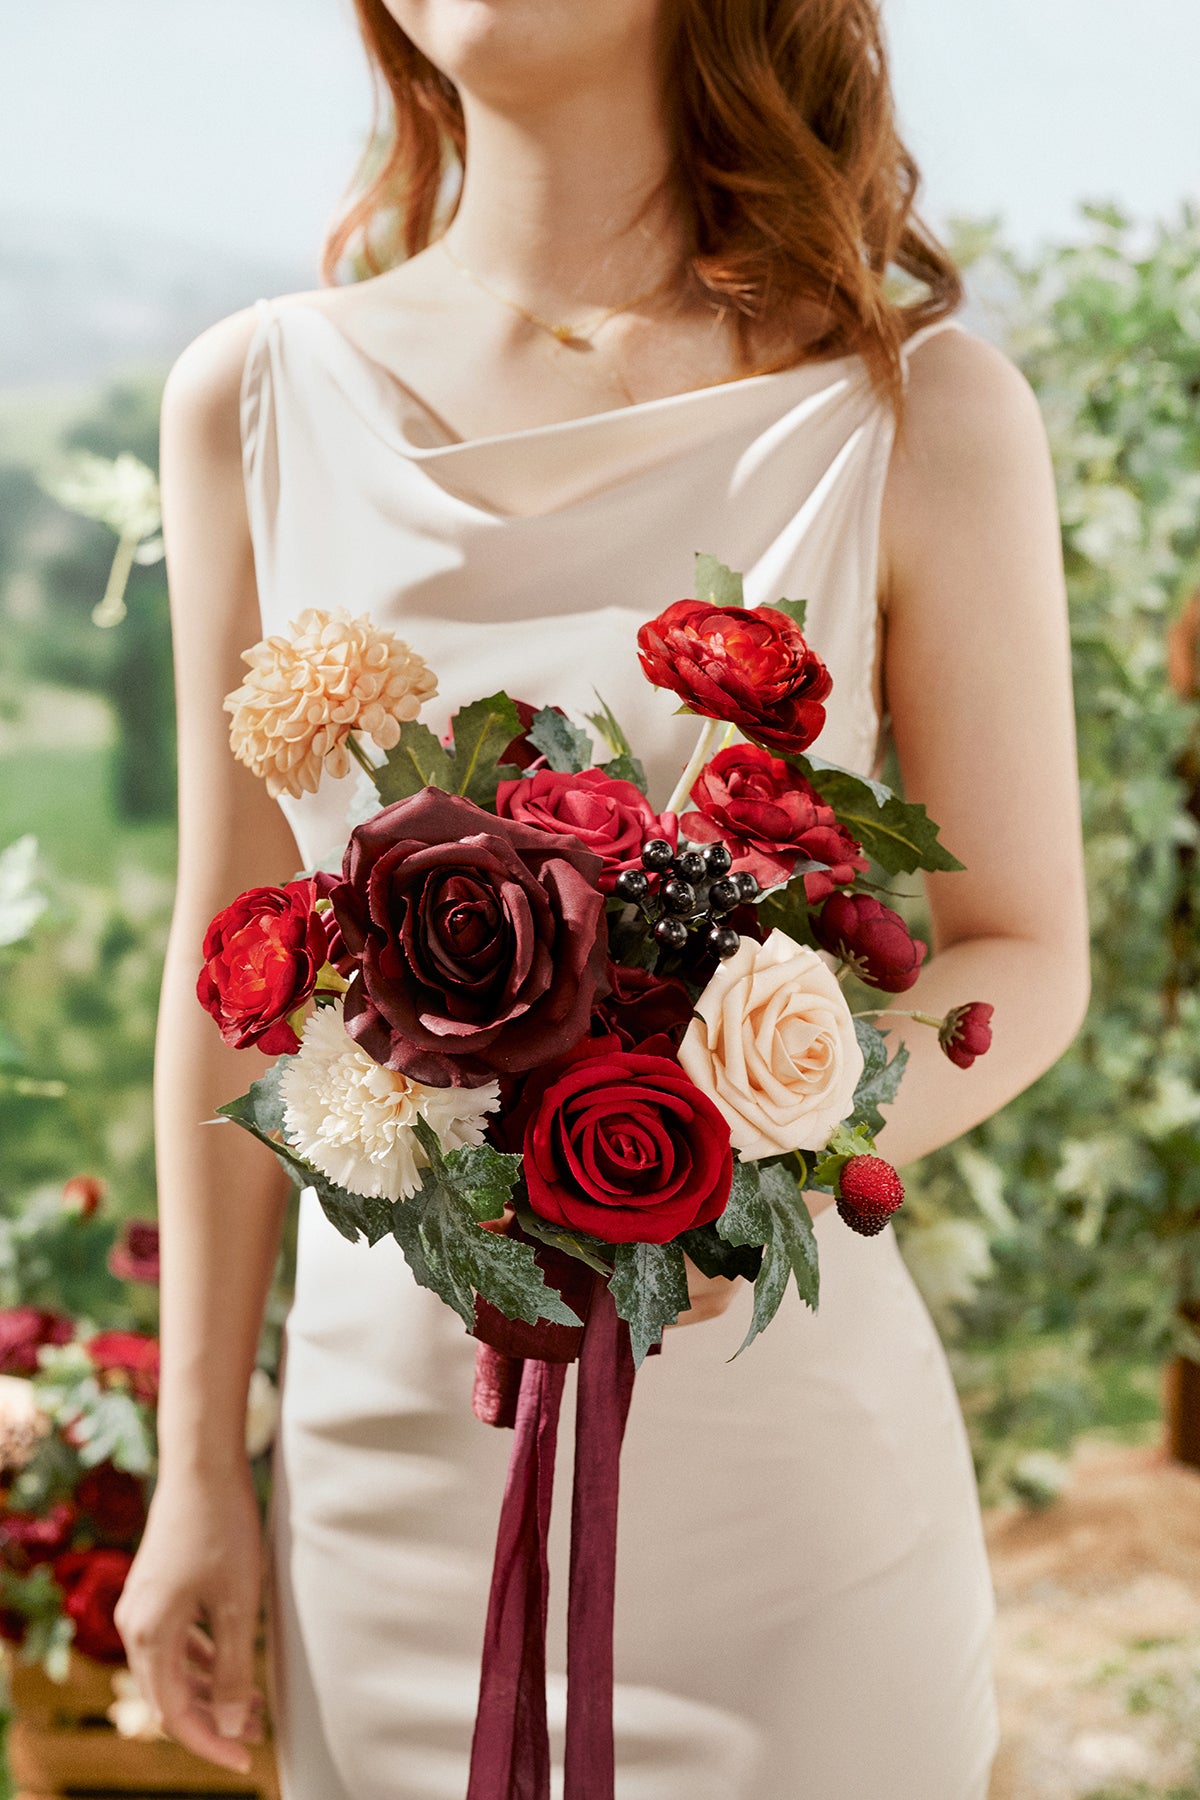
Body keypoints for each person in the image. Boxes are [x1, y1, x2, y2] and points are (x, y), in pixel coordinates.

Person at [114, 1, 1091, 1795]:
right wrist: (198, 1472)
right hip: (380, 1479)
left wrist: (752, 1145)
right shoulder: (247, 400)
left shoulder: (915, 408)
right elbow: (225, 964)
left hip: (783, 1487)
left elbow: (1024, 951)